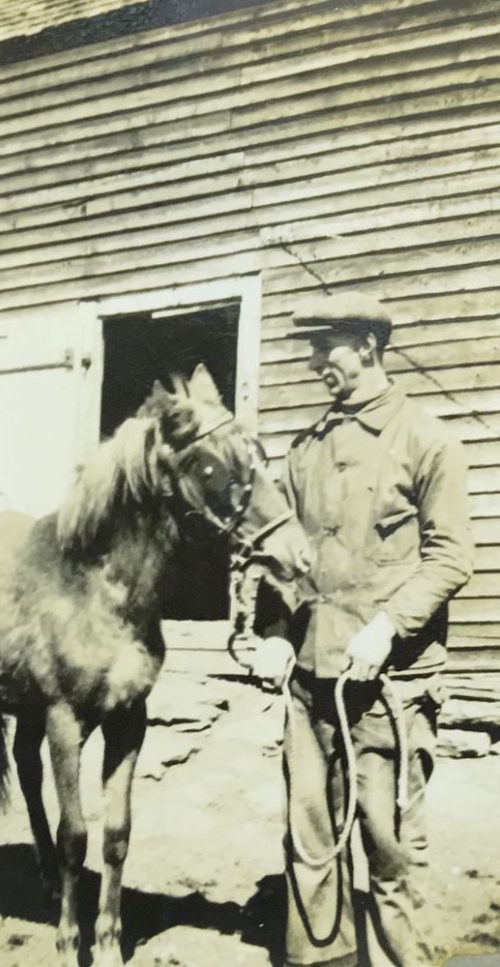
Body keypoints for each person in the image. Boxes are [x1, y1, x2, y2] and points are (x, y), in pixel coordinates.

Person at [252, 291, 474, 967]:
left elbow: (451, 556)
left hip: (390, 689)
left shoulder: (427, 438)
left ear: (370, 348)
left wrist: (388, 625)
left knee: (389, 842)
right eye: (312, 349)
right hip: (309, 689)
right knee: (311, 844)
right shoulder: (303, 450)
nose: (314, 361)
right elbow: (281, 554)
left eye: (326, 348)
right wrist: (277, 631)